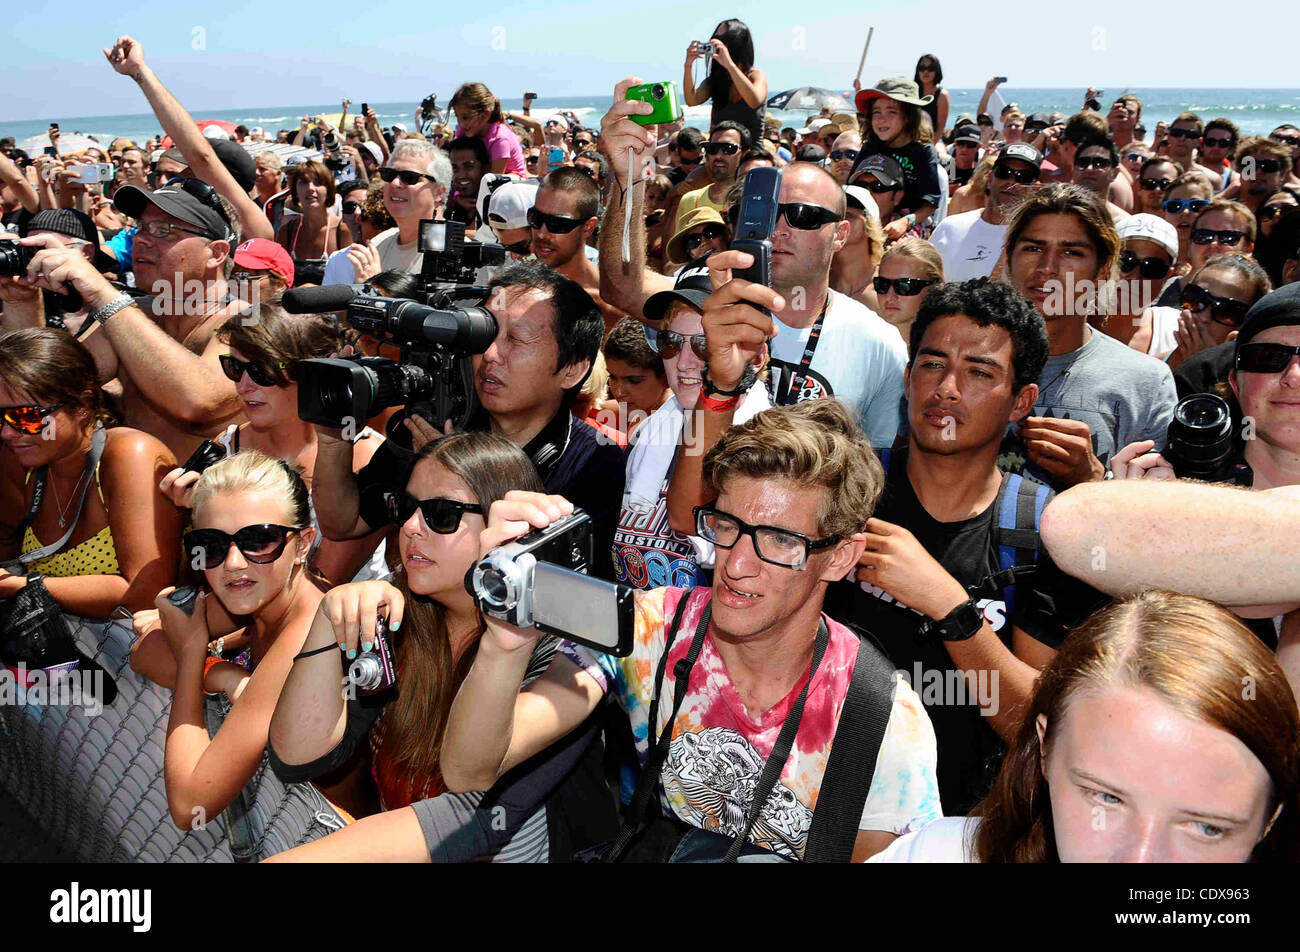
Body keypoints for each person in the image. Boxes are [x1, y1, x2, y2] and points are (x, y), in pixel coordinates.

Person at [440, 399, 941, 861]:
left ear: (839, 557)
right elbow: (470, 770)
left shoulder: (881, 718)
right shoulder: (651, 627)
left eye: (779, 541)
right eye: (726, 526)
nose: (738, 564)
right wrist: (507, 640)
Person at [264, 432, 617, 860]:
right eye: (407, 508)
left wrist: (505, 639)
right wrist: (325, 620)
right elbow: (298, 756)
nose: (411, 527)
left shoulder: (570, 649)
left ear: (506, 529)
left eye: (442, 514)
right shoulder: (399, 617)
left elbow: (474, 806)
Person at [827, 280, 1101, 814]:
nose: (947, 389)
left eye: (979, 372)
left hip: (966, 827)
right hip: (819, 803)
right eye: (931, 364)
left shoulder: (1049, 532)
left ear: (1022, 401)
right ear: (907, 378)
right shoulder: (841, 489)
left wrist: (951, 609)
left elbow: (1035, 724)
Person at [871, 591, 1299, 863]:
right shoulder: (944, 854)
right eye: (1106, 798)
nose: (1139, 860)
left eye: (1207, 828)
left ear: (1268, 820)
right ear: (1044, 748)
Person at [600, 88, 907, 448]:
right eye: (766, 212)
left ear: (841, 235)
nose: (778, 228)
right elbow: (621, 285)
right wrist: (628, 178)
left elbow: (882, 462)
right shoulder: (709, 299)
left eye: (803, 215)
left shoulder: (880, 345)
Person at [312, 262, 625, 579]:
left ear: (571, 369)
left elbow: (540, 590)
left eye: (516, 340)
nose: (490, 354)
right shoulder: (435, 420)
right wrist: (333, 439)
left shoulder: (594, 462)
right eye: (486, 334)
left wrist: (451, 474)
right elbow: (342, 523)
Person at [139, 451, 325, 828]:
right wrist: (222, 674)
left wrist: (193, 652)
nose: (234, 562)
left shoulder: (308, 632)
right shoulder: (255, 598)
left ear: (303, 544)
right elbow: (145, 650)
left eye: (259, 540)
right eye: (211, 544)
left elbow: (191, 806)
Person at [154, 307, 389, 587]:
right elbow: (199, 579)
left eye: (260, 371)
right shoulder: (227, 448)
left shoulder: (366, 456)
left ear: (316, 373)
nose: (243, 386)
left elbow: (320, 585)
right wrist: (196, 518)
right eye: (234, 368)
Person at [14, 182, 246, 462]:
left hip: (206, 500)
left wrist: (103, 292)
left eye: (163, 230)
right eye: (141, 227)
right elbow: (42, 387)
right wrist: (21, 300)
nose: (141, 239)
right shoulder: (134, 313)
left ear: (217, 253)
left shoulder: (247, 322)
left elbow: (199, 401)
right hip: (127, 494)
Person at [1000, 183, 1177, 489]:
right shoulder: (959, 359)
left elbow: (1154, 514)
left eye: (1071, 252)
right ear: (1008, 257)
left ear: (1103, 268)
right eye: (1033, 248)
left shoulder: (1146, 382)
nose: (1047, 267)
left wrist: (1093, 478)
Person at [0, 328, 180, 616]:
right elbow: (5, 545)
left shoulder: (131, 455)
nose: (8, 432)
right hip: (48, 649)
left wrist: (21, 585)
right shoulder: (19, 459)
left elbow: (144, 594)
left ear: (82, 405)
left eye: (26, 416)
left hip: (130, 650)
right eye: (0, 416)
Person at [618, 264, 769, 591]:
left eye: (704, 345)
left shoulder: (770, 453)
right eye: (671, 342)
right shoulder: (651, 428)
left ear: (755, 358)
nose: (684, 362)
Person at [321, 140, 450, 285]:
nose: (395, 183)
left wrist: (375, 290)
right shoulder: (379, 243)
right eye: (389, 174)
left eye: (409, 177)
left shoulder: (458, 254)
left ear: (438, 192)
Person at [931, 142, 1041, 282]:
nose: (1011, 182)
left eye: (1023, 177)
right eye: (1004, 172)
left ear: (1034, 188)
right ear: (989, 179)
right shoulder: (949, 227)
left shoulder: (1035, 241)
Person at [531, 167, 623, 332]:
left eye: (557, 224)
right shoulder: (518, 287)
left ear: (588, 227)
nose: (542, 233)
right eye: (536, 219)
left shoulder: (613, 303)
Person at [851, 78, 942, 241]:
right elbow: (852, 188)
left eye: (891, 112)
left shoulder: (923, 151)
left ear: (908, 116)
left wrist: (905, 222)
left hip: (909, 222)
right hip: (869, 217)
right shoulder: (869, 148)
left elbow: (931, 202)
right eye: (876, 112)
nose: (881, 119)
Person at [1097, 213, 1179, 352]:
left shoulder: (1176, 329)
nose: (1134, 277)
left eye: (1153, 267)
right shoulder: (1068, 320)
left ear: (1167, 276)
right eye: (1125, 261)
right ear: (1105, 262)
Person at [683, 19, 769, 146]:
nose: (716, 41)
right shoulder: (715, 80)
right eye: (715, 37)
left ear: (737, 42)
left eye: (722, 38)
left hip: (750, 153)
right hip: (720, 152)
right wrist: (688, 65)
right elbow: (691, 100)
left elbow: (754, 100)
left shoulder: (756, 76)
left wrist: (729, 64)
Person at [274, 160, 351, 287]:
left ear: (329, 190)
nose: (310, 188)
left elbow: (347, 284)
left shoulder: (341, 231)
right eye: (303, 182)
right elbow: (278, 281)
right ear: (295, 191)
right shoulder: (287, 231)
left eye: (318, 183)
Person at [672, 122, 748, 234]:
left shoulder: (751, 201)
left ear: (744, 154)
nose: (718, 156)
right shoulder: (689, 200)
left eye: (728, 148)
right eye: (712, 148)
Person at [602, 315, 670, 440]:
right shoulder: (644, 410)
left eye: (634, 381)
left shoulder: (674, 429)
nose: (619, 392)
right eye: (612, 377)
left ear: (667, 377)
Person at [872, 237, 942, 348]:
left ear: (934, 288)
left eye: (904, 286)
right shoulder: (863, 342)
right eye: (883, 284)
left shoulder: (947, 349)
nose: (890, 296)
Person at [448, 82, 526, 177]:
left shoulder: (499, 139)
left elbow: (494, 180)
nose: (461, 123)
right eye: (457, 117)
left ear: (485, 115)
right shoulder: (465, 129)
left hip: (510, 184)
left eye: (465, 117)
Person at [829, 183, 885, 301]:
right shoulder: (814, 282)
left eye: (847, 214)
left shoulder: (887, 289)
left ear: (869, 224)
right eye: (832, 214)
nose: (839, 221)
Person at [1158, 170, 1215, 272]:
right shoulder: (1151, 257)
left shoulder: (1218, 259)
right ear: (1162, 214)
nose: (1185, 212)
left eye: (1196, 205)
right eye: (1175, 206)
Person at [1070, 135, 1129, 226]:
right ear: (1073, 170)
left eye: (1099, 163)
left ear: (1115, 173)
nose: (1089, 169)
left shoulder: (1124, 224)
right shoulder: (1056, 217)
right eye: (1083, 163)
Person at [1232, 136, 1293, 214]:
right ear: (1238, 170)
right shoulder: (1224, 212)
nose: (1258, 172)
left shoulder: (1290, 212)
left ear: (1282, 174)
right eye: (1250, 166)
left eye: (1269, 166)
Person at [444, 136, 490, 229]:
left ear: (484, 168)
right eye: (454, 168)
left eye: (468, 166)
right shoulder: (446, 206)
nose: (461, 175)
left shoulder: (496, 207)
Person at [913, 54, 949, 137]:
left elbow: (940, 128)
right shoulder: (912, 92)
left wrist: (929, 147)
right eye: (922, 68)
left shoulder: (942, 95)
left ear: (937, 71)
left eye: (931, 68)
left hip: (931, 140)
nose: (926, 72)